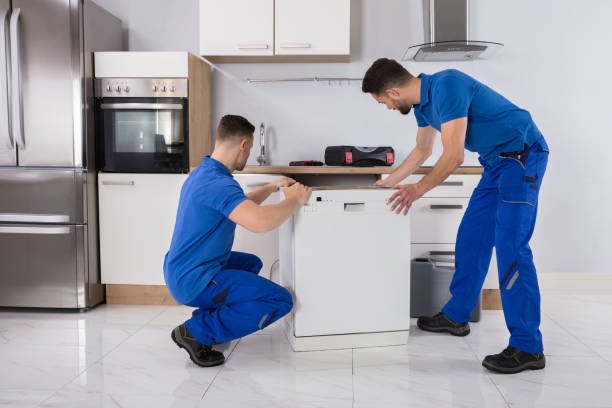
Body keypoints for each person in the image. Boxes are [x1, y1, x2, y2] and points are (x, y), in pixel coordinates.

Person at [362, 58, 549, 374]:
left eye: (383, 102)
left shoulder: (447, 84)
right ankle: (457, 315)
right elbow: (422, 151)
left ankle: (528, 346)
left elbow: (453, 155)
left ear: (393, 92)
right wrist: (390, 181)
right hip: (496, 163)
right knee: (471, 239)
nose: (387, 108)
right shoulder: (423, 106)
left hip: (522, 157)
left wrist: (417, 190)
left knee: (511, 249)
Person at [164, 114, 312, 367]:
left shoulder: (205, 174)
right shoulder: (218, 184)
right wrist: (294, 200)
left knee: (250, 264)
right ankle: (195, 331)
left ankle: (212, 320)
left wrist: (270, 187)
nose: (249, 154)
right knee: (278, 300)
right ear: (244, 145)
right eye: (250, 149)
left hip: (183, 269)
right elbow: (260, 222)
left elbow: (239, 206)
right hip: (193, 278)